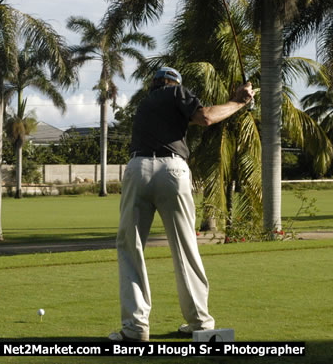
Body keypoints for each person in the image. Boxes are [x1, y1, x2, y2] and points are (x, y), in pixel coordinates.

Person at [109, 67, 255, 341]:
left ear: (153, 84)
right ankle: (200, 323)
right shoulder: (177, 91)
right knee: (185, 246)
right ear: (175, 83)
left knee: (130, 249)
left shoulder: (145, 103)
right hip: (173, 170)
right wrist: (239, 101)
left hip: (137, 167)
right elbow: (206, 117)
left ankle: (135, 328)